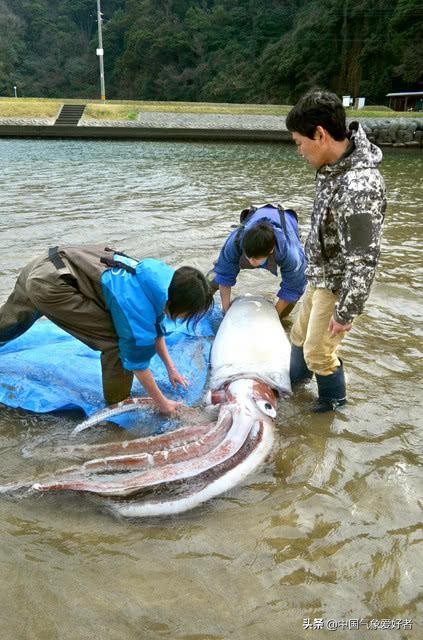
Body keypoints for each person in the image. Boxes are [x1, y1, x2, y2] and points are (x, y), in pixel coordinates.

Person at [0, 245, 213, 414]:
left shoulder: (162, 280)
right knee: (116, 342)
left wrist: (171, 368)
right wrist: (163, 403)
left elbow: (155, 328)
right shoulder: (137, 305)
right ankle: (117, 404)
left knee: (9, 323)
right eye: (187, 314)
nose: (186, 319)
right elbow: (136, 361)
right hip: (53, 286)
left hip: (47, 264)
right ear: (176, 303)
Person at [285, 89, 386, 412]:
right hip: (319, 274)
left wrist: (346, 312)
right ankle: (292, 390)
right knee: (298, 337)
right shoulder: (333, 166)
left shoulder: (360, 186)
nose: (299, 151)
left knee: (318, 353)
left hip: (337, 284)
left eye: (300, 143)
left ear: (320, 134)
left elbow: (364, 259)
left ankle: (330, 409)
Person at [207, 204, 307, 318]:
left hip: (286, 223)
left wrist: (274, 317)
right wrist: (225, 311)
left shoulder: (290, 253)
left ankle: (282, 319)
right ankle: (198, 303)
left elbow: (293, 287)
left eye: (255, 259)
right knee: (217, 273)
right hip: (255, 223)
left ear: (271, 251)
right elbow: (224, 273)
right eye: (248, 257)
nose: (251, 262)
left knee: (294, 291)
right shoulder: (235, 241)